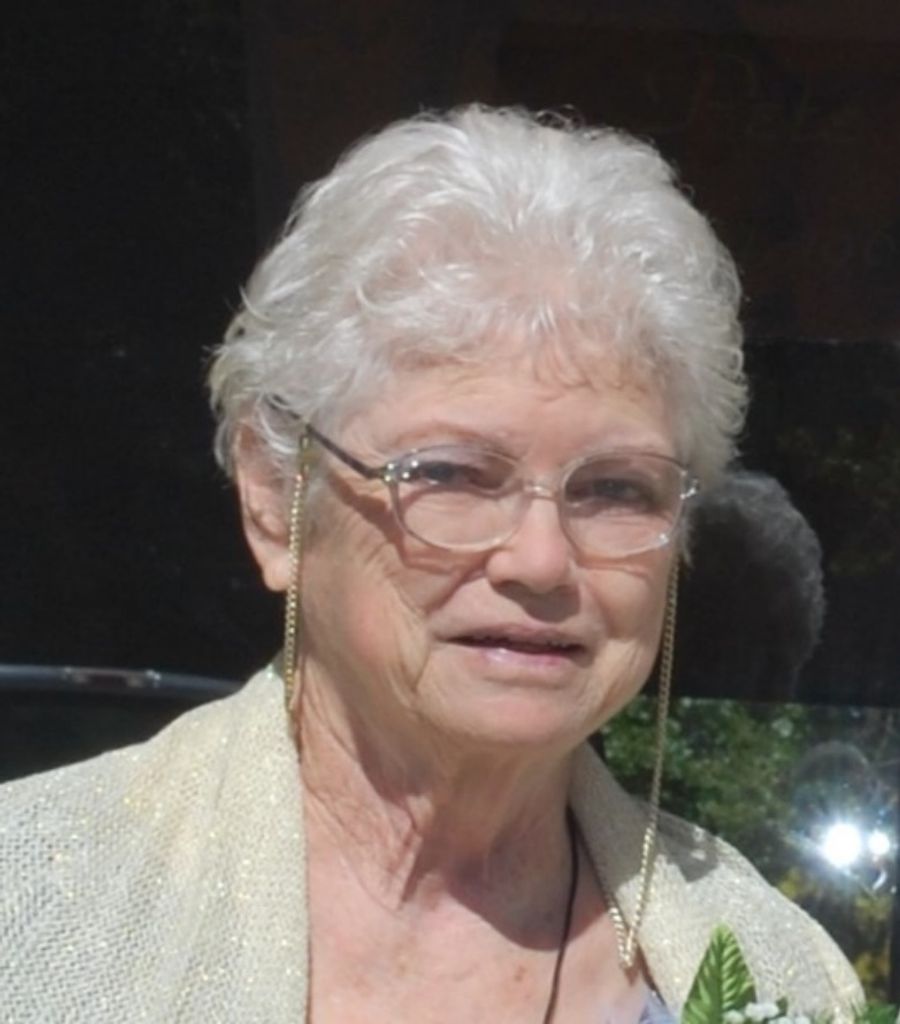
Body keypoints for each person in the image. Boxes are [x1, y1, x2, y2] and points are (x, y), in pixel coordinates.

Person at [1, 105, 861, 1022]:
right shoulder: (32, 912)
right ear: (274, 498)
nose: (541, 561)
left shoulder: (783, 970)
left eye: (614, 489)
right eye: (450, 474)